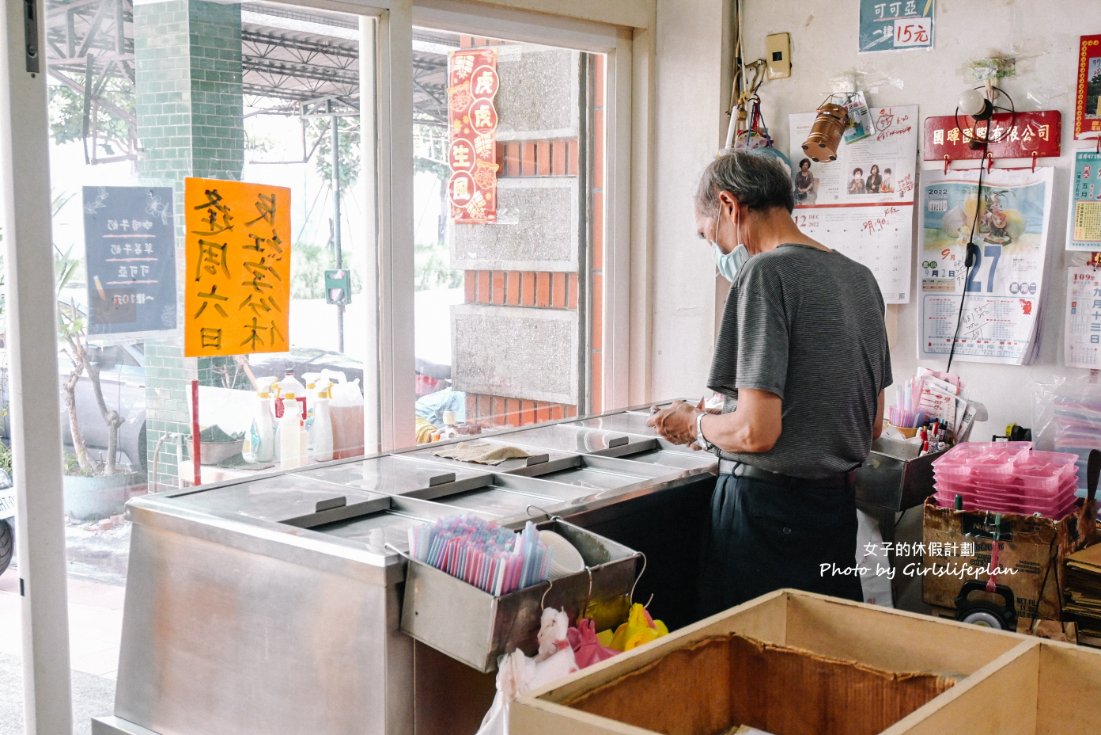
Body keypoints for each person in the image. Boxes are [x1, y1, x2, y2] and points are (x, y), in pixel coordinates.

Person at [647, 149, 892, 615]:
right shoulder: (861, 279)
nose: (716, 249)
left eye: (708, 234)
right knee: (815, 663)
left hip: (767, 517)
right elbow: (873, 423)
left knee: (749, 671)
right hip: (833, 516)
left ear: (730, 206)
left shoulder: (765, 273)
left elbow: (756, 432)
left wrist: (694, 425)